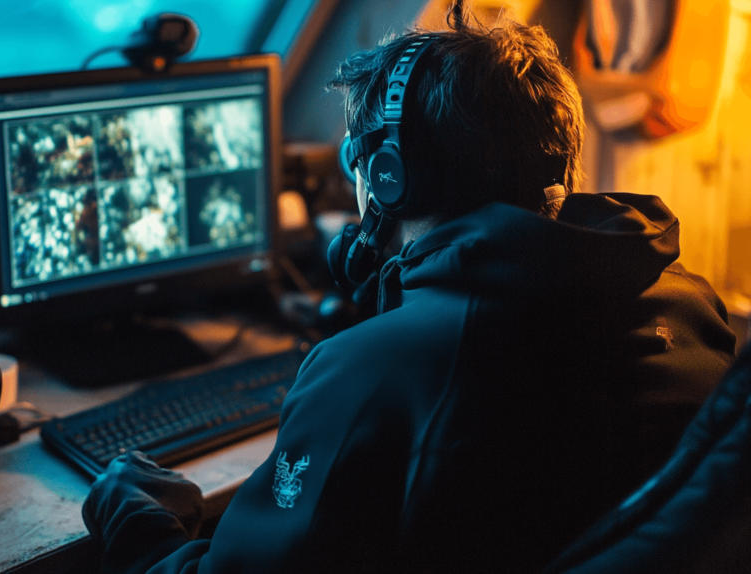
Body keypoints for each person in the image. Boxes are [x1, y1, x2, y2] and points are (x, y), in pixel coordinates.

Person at [81, 8, 737, 574]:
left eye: (358, 162)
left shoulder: (373, 371)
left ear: (392, 178)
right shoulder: (692, 304)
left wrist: (143, 523)